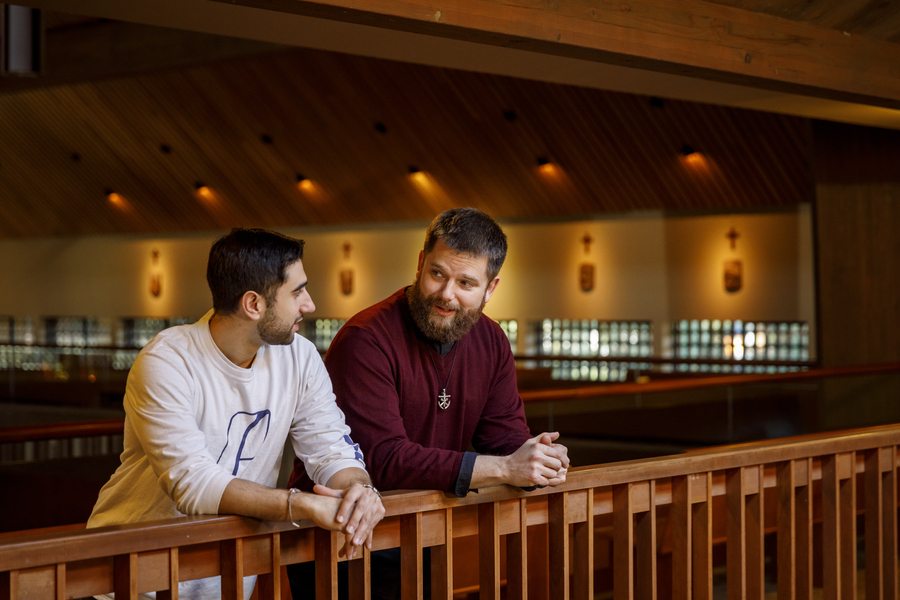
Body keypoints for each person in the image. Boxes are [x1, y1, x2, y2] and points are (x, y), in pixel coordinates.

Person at [87, 228, 385, 600]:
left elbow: (330, 448)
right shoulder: (166, 361)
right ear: (253, 305)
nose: (308, 304)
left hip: (226, 581)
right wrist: (300, 503)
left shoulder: (301, 355)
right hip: (127, 580)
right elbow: (193, 485)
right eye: (297, 291)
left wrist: (359, 489)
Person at [286, 207, 568, 599]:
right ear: (420, 263)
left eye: (466, 282)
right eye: (438, 274)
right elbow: (381, 459)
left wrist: (538, 458)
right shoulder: (365, 338)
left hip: (424, 530)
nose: (446, 294)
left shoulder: (492, 341)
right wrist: (505, 467)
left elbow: (505, 438)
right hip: (340, 537)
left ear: (490, 288)